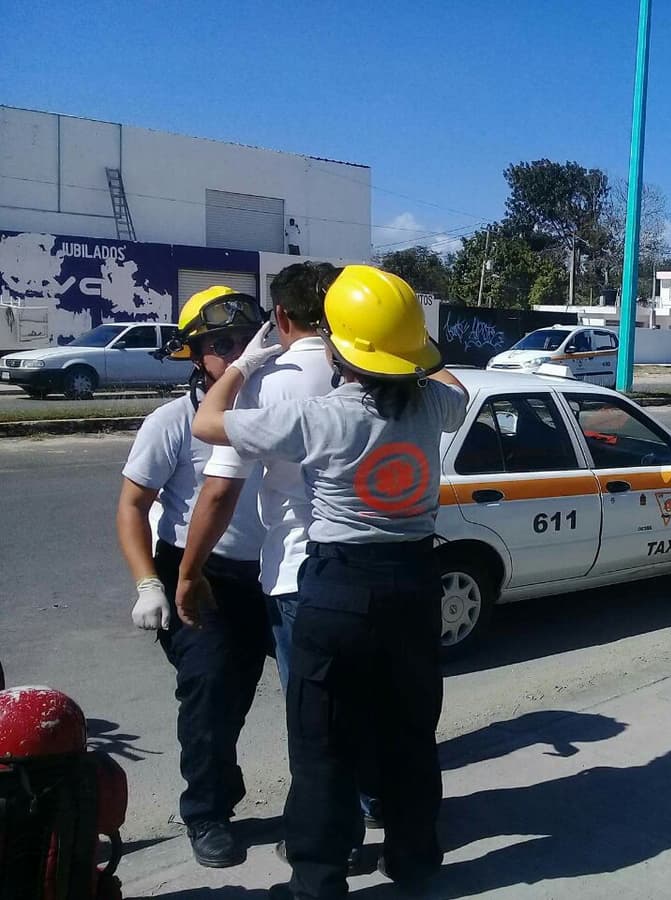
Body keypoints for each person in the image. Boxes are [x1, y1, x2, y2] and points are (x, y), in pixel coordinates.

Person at [188, 265, 468, 900]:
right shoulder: (434, 404)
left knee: (323, 741)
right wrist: (414, 345)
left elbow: (209, 423)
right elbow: (444, 376)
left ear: (339, 344)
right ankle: (415, 860)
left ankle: (318, 880)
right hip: (414, 583)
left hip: (339, 588)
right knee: (410, 732)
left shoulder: (318, 417)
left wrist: (242, 365)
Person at [176, 262, 385, 841]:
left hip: (300, 577)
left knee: (315, 725)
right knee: (366, 703)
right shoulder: (379, 373)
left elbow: (218, 489)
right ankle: (380, 807)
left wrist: (188, 573)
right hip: (375, 566)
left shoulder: (270, 384)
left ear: (280, 317)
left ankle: (331, 843)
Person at [115, 286, 267, 868]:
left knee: (302, 688)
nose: (236, 354)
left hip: (271, 576)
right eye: (220, 344)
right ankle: (207, 811)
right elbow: (132, 507)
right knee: (210, 695)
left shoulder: (277, 408)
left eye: (246, 340)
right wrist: (148, 583)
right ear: (194, 355)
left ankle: (340, 794)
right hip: (197, 578)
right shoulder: (173, 422)